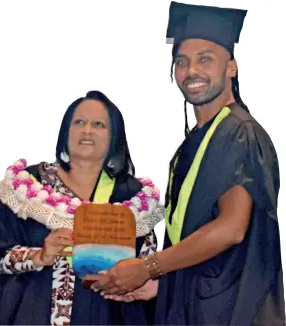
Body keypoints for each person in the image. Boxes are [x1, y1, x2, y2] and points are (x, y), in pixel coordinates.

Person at [83, 3, 286, 325]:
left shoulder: (238, 133)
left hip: (235, 313)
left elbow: (231, 229)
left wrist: (148, 267)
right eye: (182, 61)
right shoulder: (193, 143)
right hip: (196, 306)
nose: (191, 71)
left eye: (205, 59)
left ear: (231, 67)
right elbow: (195, 240)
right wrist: (162, 286)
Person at [0, 90, 164, 325]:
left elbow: (147, 269)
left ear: (115, 137)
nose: (87, 130)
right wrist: (38, 255)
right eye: (79, 122)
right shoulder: (27, 187)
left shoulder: (131, 198)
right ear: (66, 131)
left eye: (99, 124)